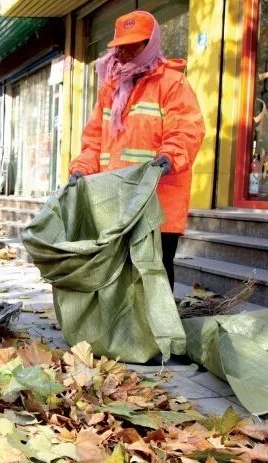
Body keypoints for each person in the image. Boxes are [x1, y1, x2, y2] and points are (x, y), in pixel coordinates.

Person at [68, 10, 205, 290]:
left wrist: (169, 156)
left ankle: (159, 331)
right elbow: (95, 140)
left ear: (151, 43)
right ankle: (125, 329)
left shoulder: (172, 83)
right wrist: (81, 169)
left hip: (159, 198)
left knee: (156, 270)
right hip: (117, 200)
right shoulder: (112, 88)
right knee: (120, 271)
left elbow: (186, 129)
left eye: (135, 44)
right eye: (122, 46)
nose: (126, 52)